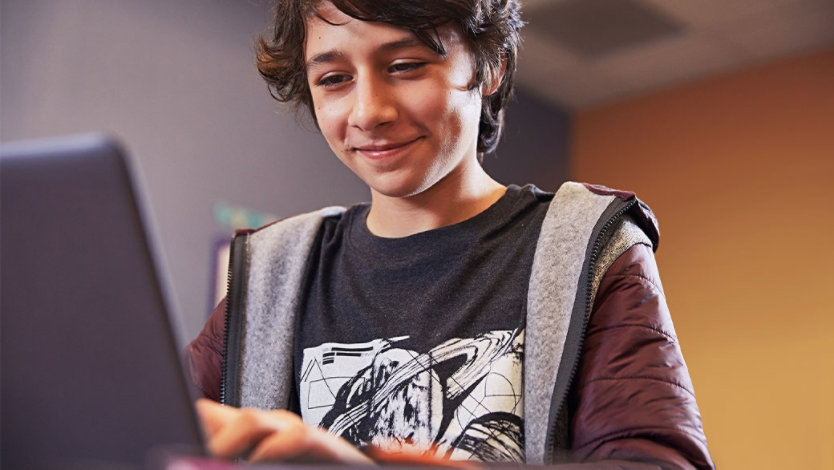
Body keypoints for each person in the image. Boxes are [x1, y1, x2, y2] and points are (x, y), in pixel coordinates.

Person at [187, 0, 715, 468]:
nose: (369, 112)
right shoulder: (274, 267)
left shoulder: (587, 247)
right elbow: (147, 430)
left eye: (405, 66)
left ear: (490, 67)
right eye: (333, 79)